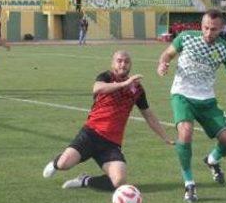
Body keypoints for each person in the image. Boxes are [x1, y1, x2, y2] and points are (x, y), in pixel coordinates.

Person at [43, 51, 173, 191]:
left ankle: (85, 180)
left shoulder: (137, 89)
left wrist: (165, 137)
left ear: (130, 65)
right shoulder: (106, 77)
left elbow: (148, 115)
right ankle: (56, 162)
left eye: (126, 61)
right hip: (90, 134)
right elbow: (97, 88)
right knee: (64, 164)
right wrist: (124, 84)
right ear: (113, 63)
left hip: (111, 143)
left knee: (119, 181)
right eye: (119, 61)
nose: (123, 64)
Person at [157, 8, 226, 202]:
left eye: (213, 29)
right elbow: (167, 54)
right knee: (186, 132)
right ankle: (189, 183)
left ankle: (212, 160)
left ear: (221, 28)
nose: (208, 33)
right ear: (201, 25)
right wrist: (163, 64)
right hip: (182, 95)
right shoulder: (187, 37)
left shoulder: (225, 49)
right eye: (205, 28)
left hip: (207, 99)